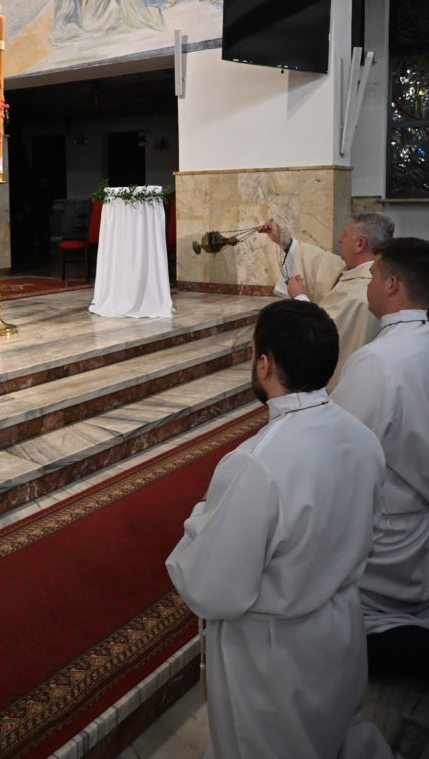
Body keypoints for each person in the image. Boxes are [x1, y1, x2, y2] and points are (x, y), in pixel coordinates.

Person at [166, 299, 391, 759]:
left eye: (253, 353)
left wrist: (202, 515)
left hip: (271, 659)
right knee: (330, 735)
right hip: (340, 629)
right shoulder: (361, 437)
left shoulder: (255, 463)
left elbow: (212, 589)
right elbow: (371, 528)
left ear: (265, 364)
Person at [333, 236, 429, 677]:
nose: (368, 285)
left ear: (392, 285)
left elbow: (338, 458)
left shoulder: (378, 361)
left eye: (371, 276)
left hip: (393, 545)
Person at [258, 212, 395, 388]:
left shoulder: (359, 294)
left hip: (344, 390)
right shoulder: (373, 273)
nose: (340, 239)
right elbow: (323, 263)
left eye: (345, 234)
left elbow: (320, 336)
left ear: (360, 244)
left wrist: (299, 297)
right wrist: (285, 242)